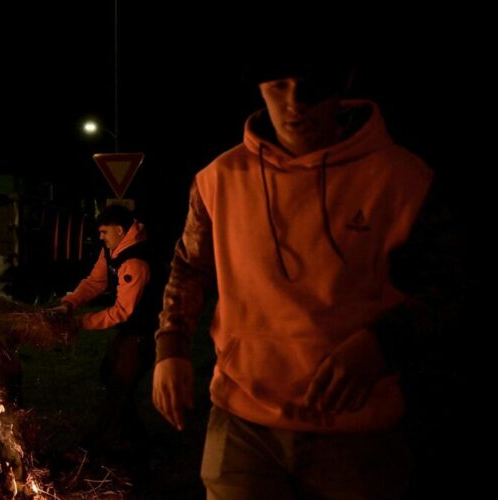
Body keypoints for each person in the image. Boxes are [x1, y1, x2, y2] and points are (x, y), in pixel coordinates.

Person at [152, 61, 453, 498]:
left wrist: (384, 342)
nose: (294, 102)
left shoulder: (402, 178)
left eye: (311, 86)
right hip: (242, 427)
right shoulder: (220, 179)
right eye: (278, 85)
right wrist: (172, 347)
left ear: (340, 84)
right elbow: (190, 266)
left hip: (358, 432)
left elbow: (448, 291)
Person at [54, 204, 162, 455]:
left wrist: (80, 322)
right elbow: (96, 281)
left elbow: (121, 311)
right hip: (130, 331)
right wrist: (70, 304)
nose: (100, 237)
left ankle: (89, 451)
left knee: (118, 388)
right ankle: (137, 440)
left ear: (120, 230)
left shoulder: (134, 262)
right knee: (108, 374)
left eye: (104, 232)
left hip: (146, 333)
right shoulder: (112, 249)